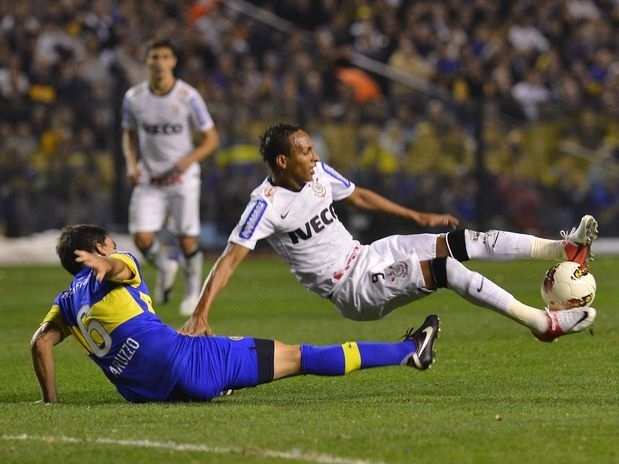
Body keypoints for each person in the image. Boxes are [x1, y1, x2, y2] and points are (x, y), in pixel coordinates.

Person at [180, 123, 598, 343]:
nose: (315, 156)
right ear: (283, 161)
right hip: (351, 288)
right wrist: (201, 313)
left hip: (369, 254)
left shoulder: (318, 174)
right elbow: (228, 260)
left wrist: (417, 216)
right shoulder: (265, 205)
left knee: (468, 241)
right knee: (447, 269)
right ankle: (541, 323)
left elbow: (359, 196)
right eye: (306, 151)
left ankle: (563, 249)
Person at [30, 224, 440, 403]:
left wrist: (50, 402)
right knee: (300, 357)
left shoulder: (65, 301)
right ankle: (409, 351)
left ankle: (220, 379)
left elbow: (39, 344)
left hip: (145, 392)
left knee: (198, 343)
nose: (115, 248)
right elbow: (120, 268)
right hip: (186, 368)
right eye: (109, 244)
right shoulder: (119, 264)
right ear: (100, 248)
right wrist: (108, 264)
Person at [121, 37, 219, 316]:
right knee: (141, 238)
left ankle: (192, 295)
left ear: (174, 61)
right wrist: (131, 164)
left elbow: (211, 138)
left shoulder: (188, 97)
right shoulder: (134, 98)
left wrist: (188, 160)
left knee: (187, 240)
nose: (160, 63)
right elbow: (128, 134)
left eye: (165, 57)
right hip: (150, 179)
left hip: (182, 180)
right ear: (146, 61)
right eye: (155, 57)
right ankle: (165, 266)